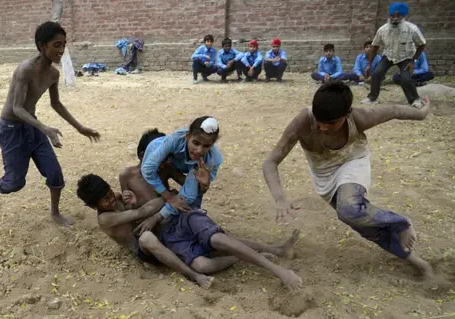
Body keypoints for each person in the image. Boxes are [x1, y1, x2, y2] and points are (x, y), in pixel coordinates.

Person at [76, 130, 303, 290]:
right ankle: (238, 258)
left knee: (218, 240)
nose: (160, 161)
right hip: (161, 234)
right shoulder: (125, 180)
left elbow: (190, 189)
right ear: (141, 155)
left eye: (163, 156)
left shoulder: (165, 168)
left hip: (175, 218)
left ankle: (274, 250)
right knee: (204, 259)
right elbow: (138, 212)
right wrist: (155, 200)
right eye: (154, 156)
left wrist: (198, 187)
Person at [262, 81, 434, 279]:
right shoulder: (302, 122)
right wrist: (280, 200)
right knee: (364, 225)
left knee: (349, 209)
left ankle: (401, 222)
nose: (323, 128)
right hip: (325, 177)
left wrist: (422, 112)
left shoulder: (359, 118)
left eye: (331, 123)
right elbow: (270, 163)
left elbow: (394, 110)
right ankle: (418, 262)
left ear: (347, 113)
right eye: (319, 121)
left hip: (354, 162)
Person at [0, 21, 100, 227]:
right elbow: (17, 108)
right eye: (57, 45)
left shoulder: (53, 74)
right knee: (15, 183)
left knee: (55, 173)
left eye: (64, 44)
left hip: (33, 127)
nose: (62, 50)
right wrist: (46, 128)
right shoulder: (25, 70)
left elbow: (56, 103)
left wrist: (80, 127)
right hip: (12, 129)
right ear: (42, 46)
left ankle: (55, 213)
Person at [140, 116, 222, 222]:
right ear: (187, 137)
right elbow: (147, 169)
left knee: (190, 202)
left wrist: (204, 185)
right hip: (162, 156)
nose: (199, 150)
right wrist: (168, 197)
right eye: (196, 143)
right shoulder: (175, 139)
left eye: (206, 146)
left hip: (184, 166)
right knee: (150, 189)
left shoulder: (212, 160)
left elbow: (193, 193)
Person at [362, 2, 426, 108]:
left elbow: (422, 44)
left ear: (403, 16)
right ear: (389, 16)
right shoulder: (382, 30)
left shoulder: (412, 29)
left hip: (406, 57)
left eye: (398, 16)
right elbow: (375, 46)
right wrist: (369, 64)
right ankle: (372, 98)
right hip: (388, 56)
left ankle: (415, 99)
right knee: (377, 73)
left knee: (405, 78)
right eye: (392, 16)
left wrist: (413, 61)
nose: (395, 18)